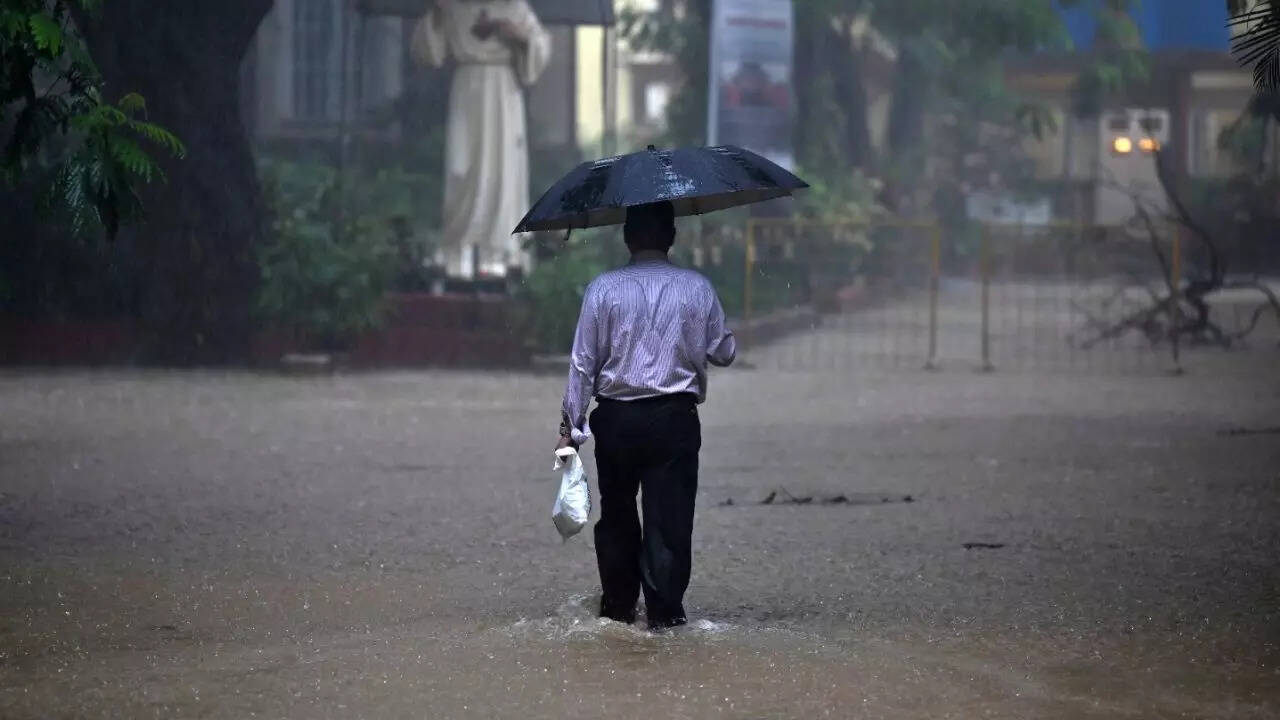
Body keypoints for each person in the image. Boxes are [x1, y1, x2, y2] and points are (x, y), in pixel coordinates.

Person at [556, 201, 737, 630]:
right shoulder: (697, 288)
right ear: (672, 236)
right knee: (669, 521)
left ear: (627, 237)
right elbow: (724, 352)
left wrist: (570, 431)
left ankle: (617, 613)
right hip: (674, 422)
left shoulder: (602, 289)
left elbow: (583, 363)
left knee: (617, 517)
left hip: (616, 421)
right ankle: (665, 618)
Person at [412, 0, 550, 280]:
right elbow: (428, 53)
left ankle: (501, 253)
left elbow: (539, 48)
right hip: (467, 89)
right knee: (461, 166)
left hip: (504, 93)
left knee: (503, 170)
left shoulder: (516, 7)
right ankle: (458, 252)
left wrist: (519, 37)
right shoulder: (455, 6)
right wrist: (438, 13)